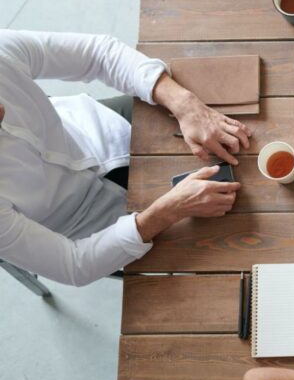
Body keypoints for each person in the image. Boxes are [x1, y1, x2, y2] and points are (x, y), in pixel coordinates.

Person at [0, 29, 248, 287]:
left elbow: (98, 54)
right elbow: (72, 265)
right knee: (217, 261)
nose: (2, 110)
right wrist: (168, 211)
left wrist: (184, 105)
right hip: (95, 226)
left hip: (102, 127)